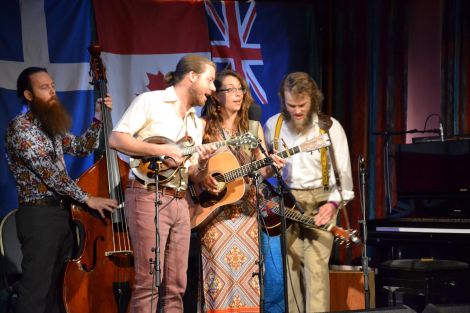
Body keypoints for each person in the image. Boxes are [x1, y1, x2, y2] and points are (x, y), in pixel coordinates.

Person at [108, 55, 218, 312]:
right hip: (148, 196)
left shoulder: (194, 119)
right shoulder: (151, 101)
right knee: (148, 281)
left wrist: (202, 165)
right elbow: (116, 139)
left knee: (176, 286)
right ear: (192, 76)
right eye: (210, 80)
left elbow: (191, 171)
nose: (213, 88)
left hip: (180, 202)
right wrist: (161, 150)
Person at [4, 67, 118, 313]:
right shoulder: (21, 129)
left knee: (59, 288)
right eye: (44, 87)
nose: (52, 91)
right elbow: (50, 173)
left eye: (52, 85)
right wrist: (87, 198)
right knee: (36, 290)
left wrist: (98, 118)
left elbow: (80, 147)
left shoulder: (50, 125)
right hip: (39, 217)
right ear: (28, 94)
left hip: (60, 215)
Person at [263, 72, 354, 313]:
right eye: (291, 105)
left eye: (302, 105)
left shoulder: (330, 128)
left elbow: (344, 180)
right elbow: (265, 170)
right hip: (288, 202)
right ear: (284, 100)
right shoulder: (273, 125)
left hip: (322, 202)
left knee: (315, 272)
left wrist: (333, 205)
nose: (297, 111)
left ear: (313, 99)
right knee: (290, 273)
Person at [199, 69, 285, 312]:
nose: (238, 94)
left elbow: (261, 171)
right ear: (216, 96)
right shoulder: (203, 126)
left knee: (248, 277)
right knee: (219, 277)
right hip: (214, 212)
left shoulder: (252, 128)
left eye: (240, 89)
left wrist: (272, 166)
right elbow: (194, 168)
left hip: (247, 211)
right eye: (231, 89)